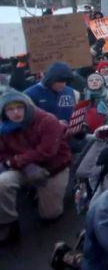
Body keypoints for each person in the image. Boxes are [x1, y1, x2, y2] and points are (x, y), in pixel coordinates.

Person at [0, 91, 71, 243]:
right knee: (2, 183)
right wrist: (25, 166)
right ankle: (8, 223)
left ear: (27, 107)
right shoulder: (3, 128)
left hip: (53, 167)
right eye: (10, 109)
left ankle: (41, 194)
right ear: (4, 112)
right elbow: (2, 153)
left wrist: (18, 161)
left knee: (50, 215)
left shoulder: (46, 120)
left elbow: (48, 151)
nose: (16, 112)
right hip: (23, 167)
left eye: (19, 107)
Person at [24, 61, 77, 126]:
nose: (63, 84)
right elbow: (27, 122)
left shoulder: (70, 91)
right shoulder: (29, 94)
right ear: (50, 80)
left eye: (65, 81)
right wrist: (53, 124)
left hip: (70, 134)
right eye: (60, 81)